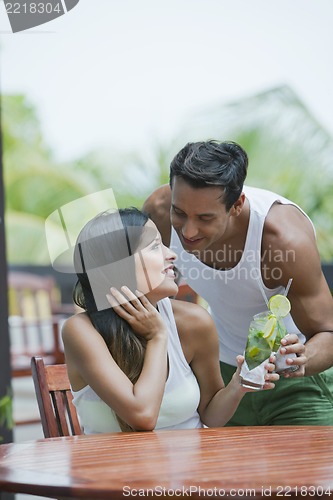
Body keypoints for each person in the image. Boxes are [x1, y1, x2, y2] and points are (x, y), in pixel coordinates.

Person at [143, 140, 333, 426]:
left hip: (294, 388)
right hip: (222, 385)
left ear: (237, 205)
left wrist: (305, 358)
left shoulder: (281, 240)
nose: (188, 230)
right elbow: (127, 287)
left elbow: (328, 331)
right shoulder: (157, 213)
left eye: (205, 218)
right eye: (179, 213)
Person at [62, 207, 278, 434]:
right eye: (155, 247)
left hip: (191, 467)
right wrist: (157, 335)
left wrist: (237, 385)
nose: (171, 254)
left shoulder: (193, 322)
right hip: (112, 468)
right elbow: (142, 416)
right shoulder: (81, 331)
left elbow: (211, 417)